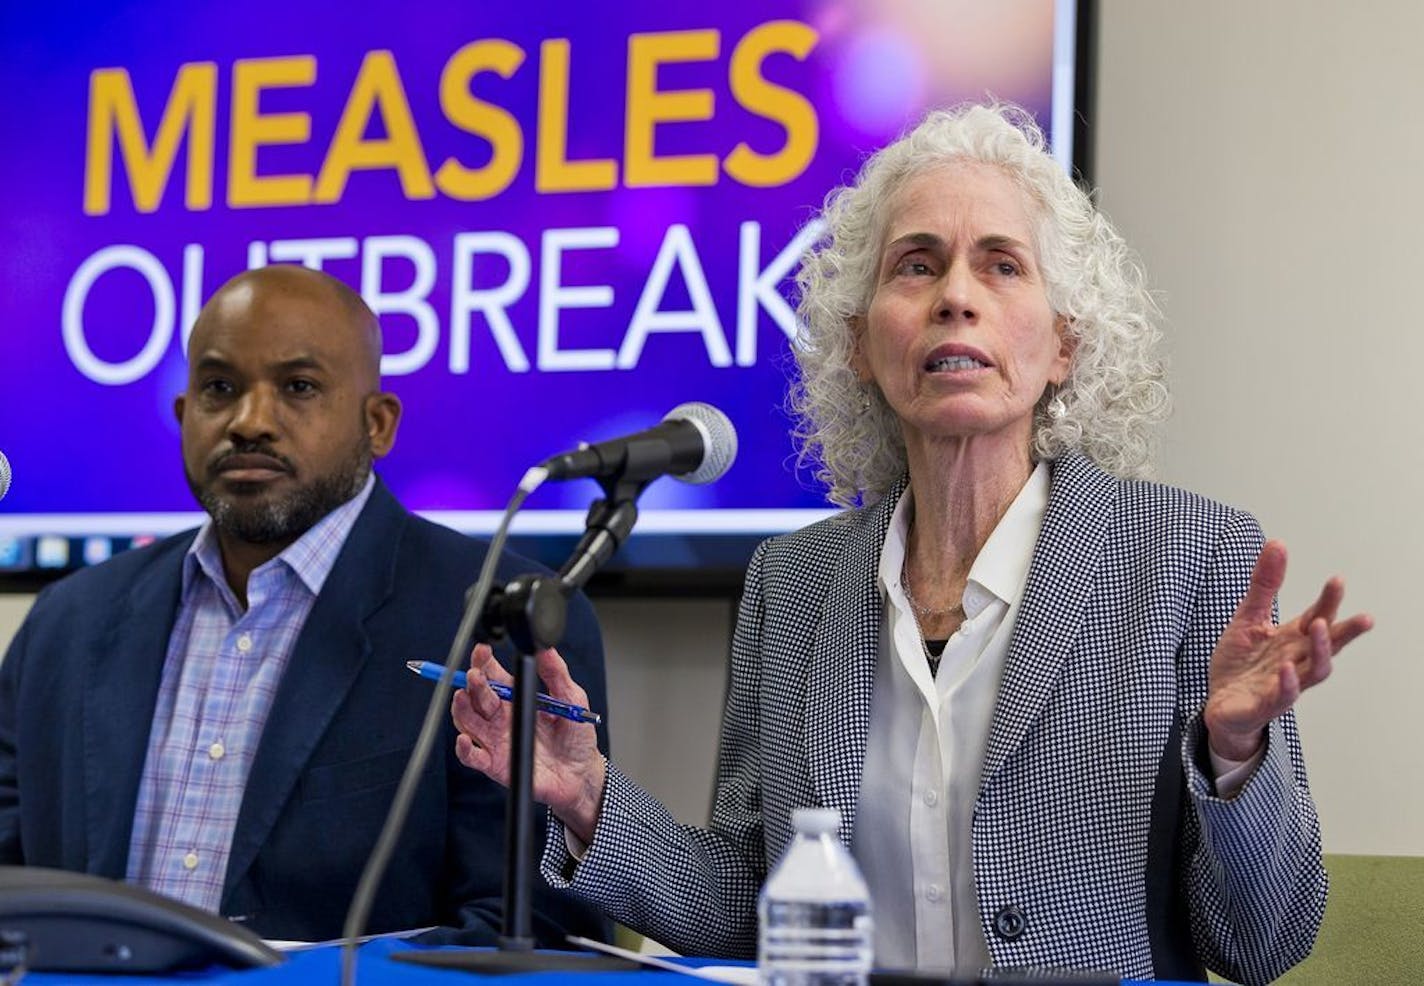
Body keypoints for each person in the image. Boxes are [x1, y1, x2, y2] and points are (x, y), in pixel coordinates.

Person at [448, 103, 1373, 984]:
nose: (956, 298)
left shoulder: (1192, 559)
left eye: (1003, 266)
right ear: (860, 342)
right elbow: (745, 907)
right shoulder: (791, 581)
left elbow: (1265, 943)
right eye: (917, 265)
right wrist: (585, 795)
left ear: (1065, 345)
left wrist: (1235, 750)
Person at [0, 264, 610, 946]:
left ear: (377, 424)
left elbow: (528, 939)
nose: (250, 422)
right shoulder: (67, 623)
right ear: (182, 416)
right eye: (219, 389)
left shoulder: (500, 623)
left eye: (298, 387)